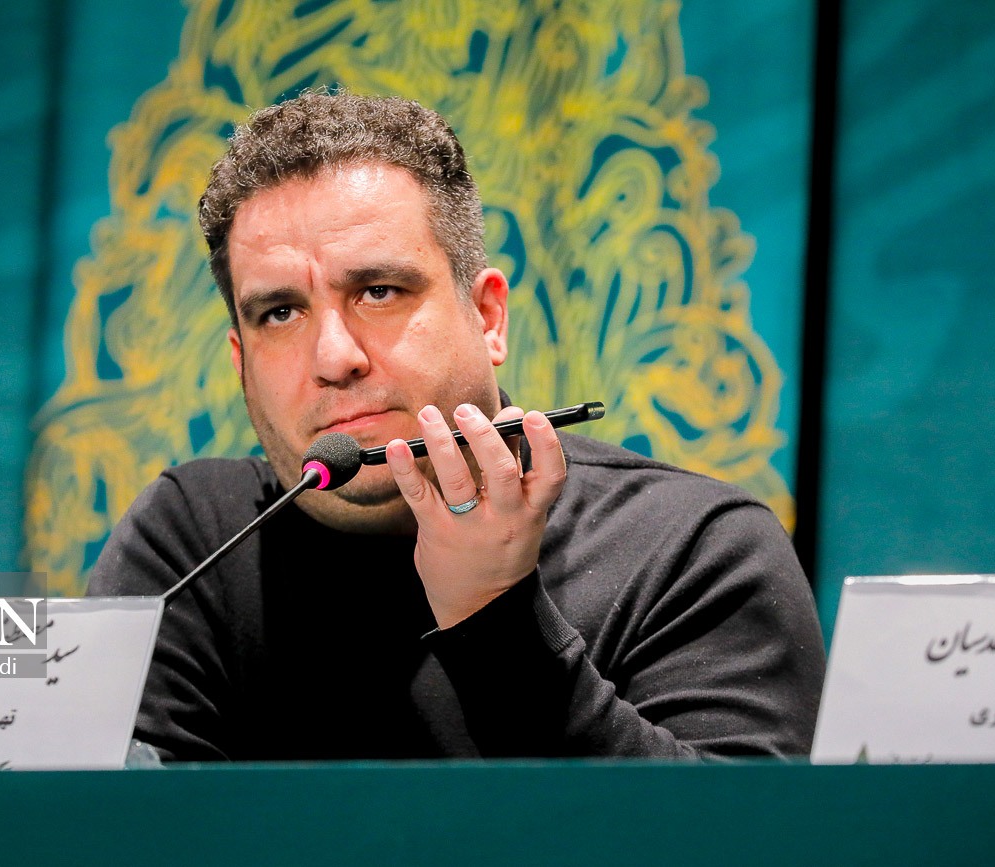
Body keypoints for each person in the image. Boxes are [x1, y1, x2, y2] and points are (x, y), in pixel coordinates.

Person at [87, 90, 825, 761]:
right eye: (280, 313)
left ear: (488, 316)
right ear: (240, 361)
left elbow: (731, 837)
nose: (334, 358)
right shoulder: (193, 546)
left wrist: (496, 621)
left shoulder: (691, 548)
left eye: (379, 291)